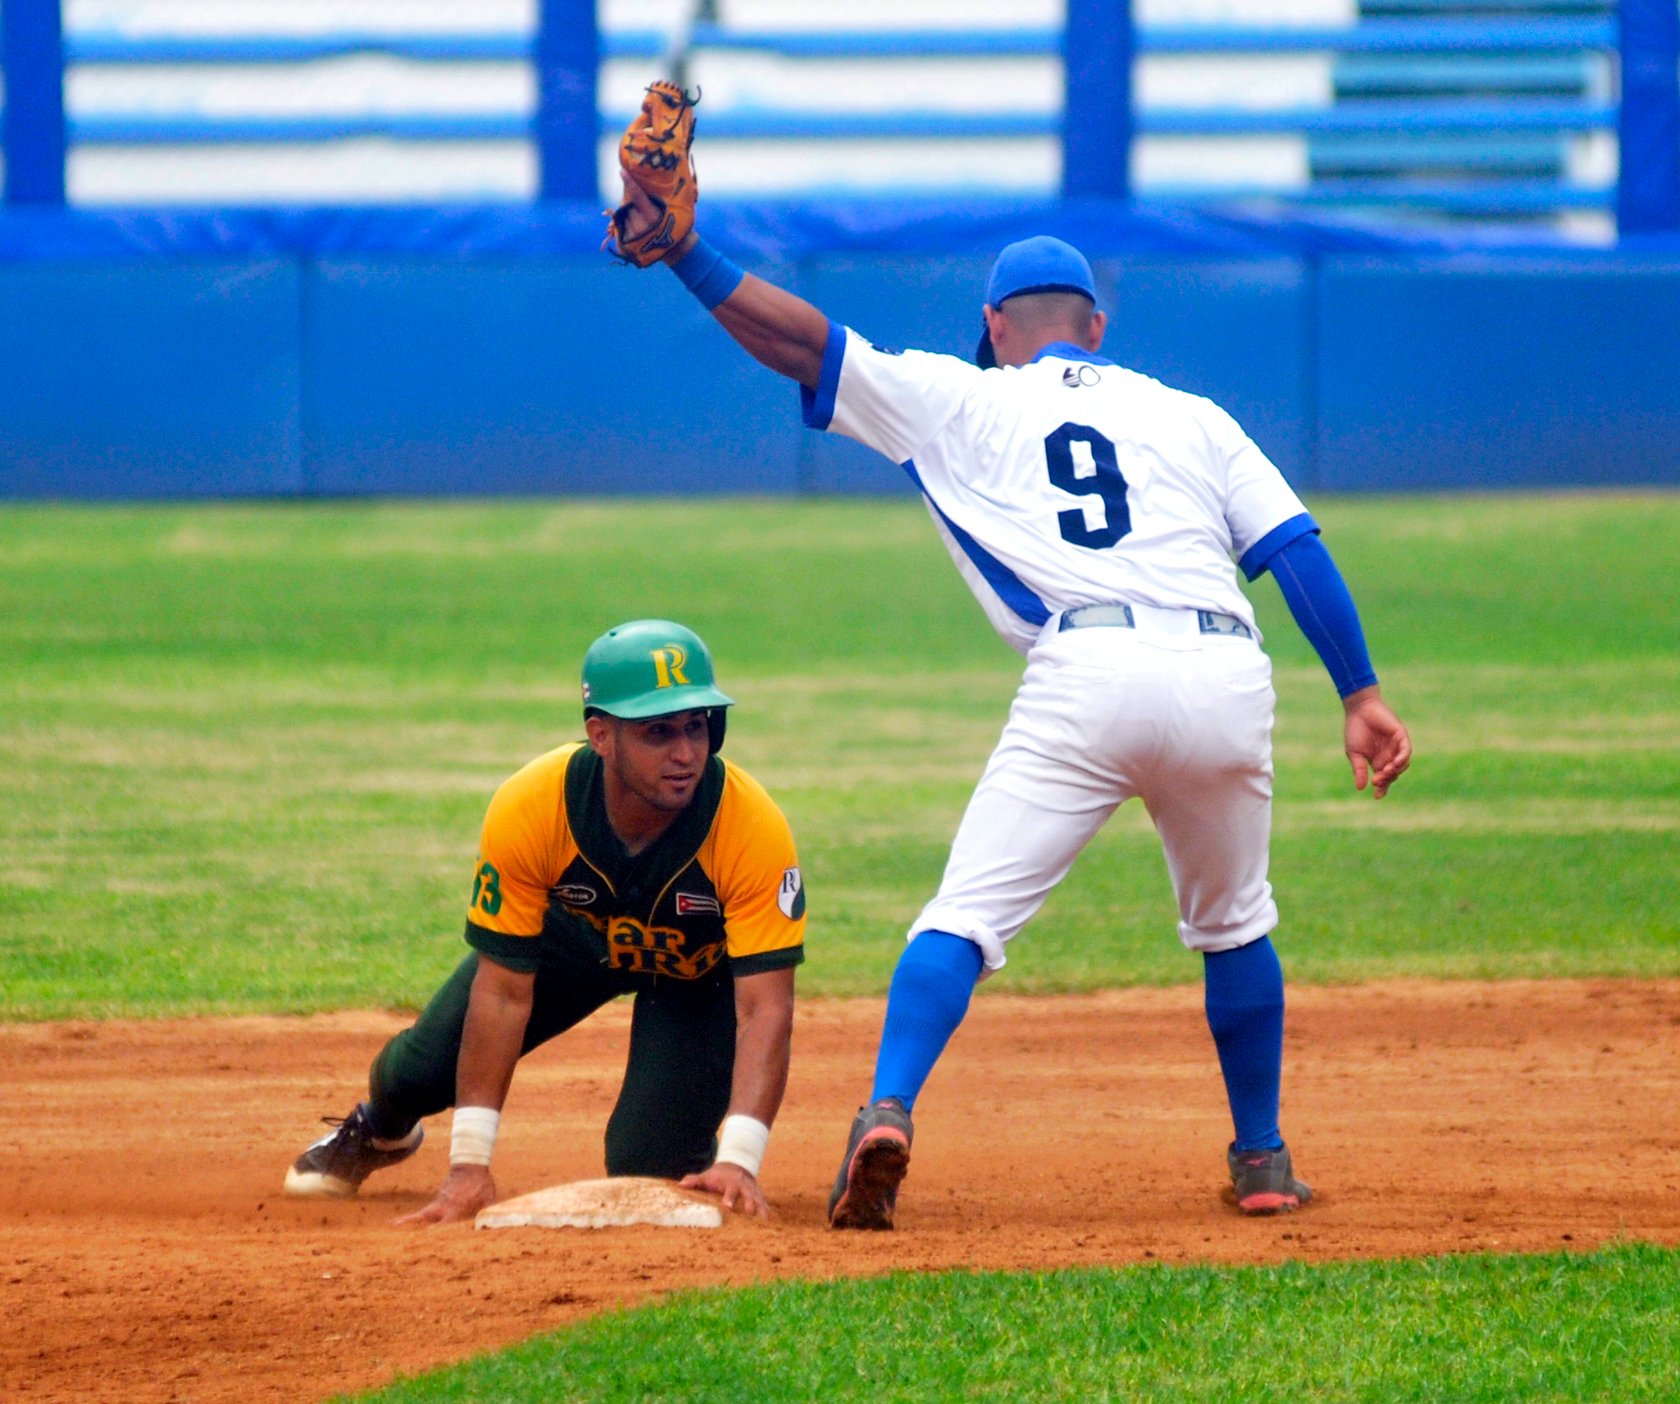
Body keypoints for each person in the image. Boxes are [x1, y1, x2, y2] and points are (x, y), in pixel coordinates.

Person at [611, 164, 1412, 1229]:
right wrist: (1359, 693)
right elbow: (1293, 550)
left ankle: (887, 1110)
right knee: (1234, 925)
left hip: (1088, 672)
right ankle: (1262, 1160)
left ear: (994, 326)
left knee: (968, 916)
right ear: (1098, 324)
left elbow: (802, 343)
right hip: (1226, 669)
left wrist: (684, 255)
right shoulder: (1192, 415)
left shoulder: (964, 392)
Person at [283, 619, 807, 1224]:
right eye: (657, 732)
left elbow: (765, 1008)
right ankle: (380, 1129)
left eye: (696, 727)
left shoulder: (750, 826)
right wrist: (469, 1166)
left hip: (698, 973)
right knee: (417, 1072)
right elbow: (503, 993)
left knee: (648, 1162)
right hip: (575, 940)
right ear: (601, 735)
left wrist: (741, 1157)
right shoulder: (535, 804)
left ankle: (699, 1154)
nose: (685, 753)